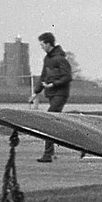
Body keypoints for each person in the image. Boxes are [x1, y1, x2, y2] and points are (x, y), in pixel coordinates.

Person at [29, 32, 72, 162]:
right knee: (54, 121)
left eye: (42, 44)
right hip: (51, 94)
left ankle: (48, 154)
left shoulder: (60, 59)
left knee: (49, 120)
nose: (41, 47)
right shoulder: (47, 59)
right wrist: (35, 92)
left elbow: (67, 77)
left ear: (48, 44)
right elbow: (43, 76)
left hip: (60, 94)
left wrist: (54, 84)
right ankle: (50, 152)